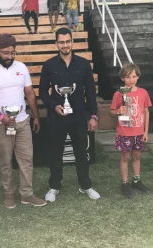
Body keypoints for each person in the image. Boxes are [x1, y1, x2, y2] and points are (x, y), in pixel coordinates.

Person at [0, 33, 47, 209]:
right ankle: (9, 193)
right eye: (6, 53)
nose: (10, 56)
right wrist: (1, 117)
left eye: (13, 53)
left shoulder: (21, 67)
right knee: (6, 160)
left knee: (26, 159)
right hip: (0, 124)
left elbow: (29, 93)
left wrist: (36, 115)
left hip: (22, 121)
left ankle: (27, 194)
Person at [39, 27, 100, 202]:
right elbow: (42, 92)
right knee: (55, 153)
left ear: (72, 42)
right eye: (61, 42)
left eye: (67, 41)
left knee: (81, 152)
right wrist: (54, 106)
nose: (65, 45)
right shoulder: (49, 65)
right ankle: (54, 186)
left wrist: (93, 116)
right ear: (56, 43)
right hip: (57, 117)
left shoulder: (83, 64)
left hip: (79, 116)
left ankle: (85, 185)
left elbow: (90, 92)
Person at [109, 63, 152, 198]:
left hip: (139, 131)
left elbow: (146, 111)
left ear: (138, 77)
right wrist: (117, 111)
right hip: (124, 131)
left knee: (137, 156)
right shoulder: (118, 94)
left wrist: (146, 131)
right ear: (122, 78)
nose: (131, 80)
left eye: (133, 76)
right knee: (125, 157)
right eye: (128, 77)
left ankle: (136, 180)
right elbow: (111, 112)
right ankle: (125, 183)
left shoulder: (143, 92)